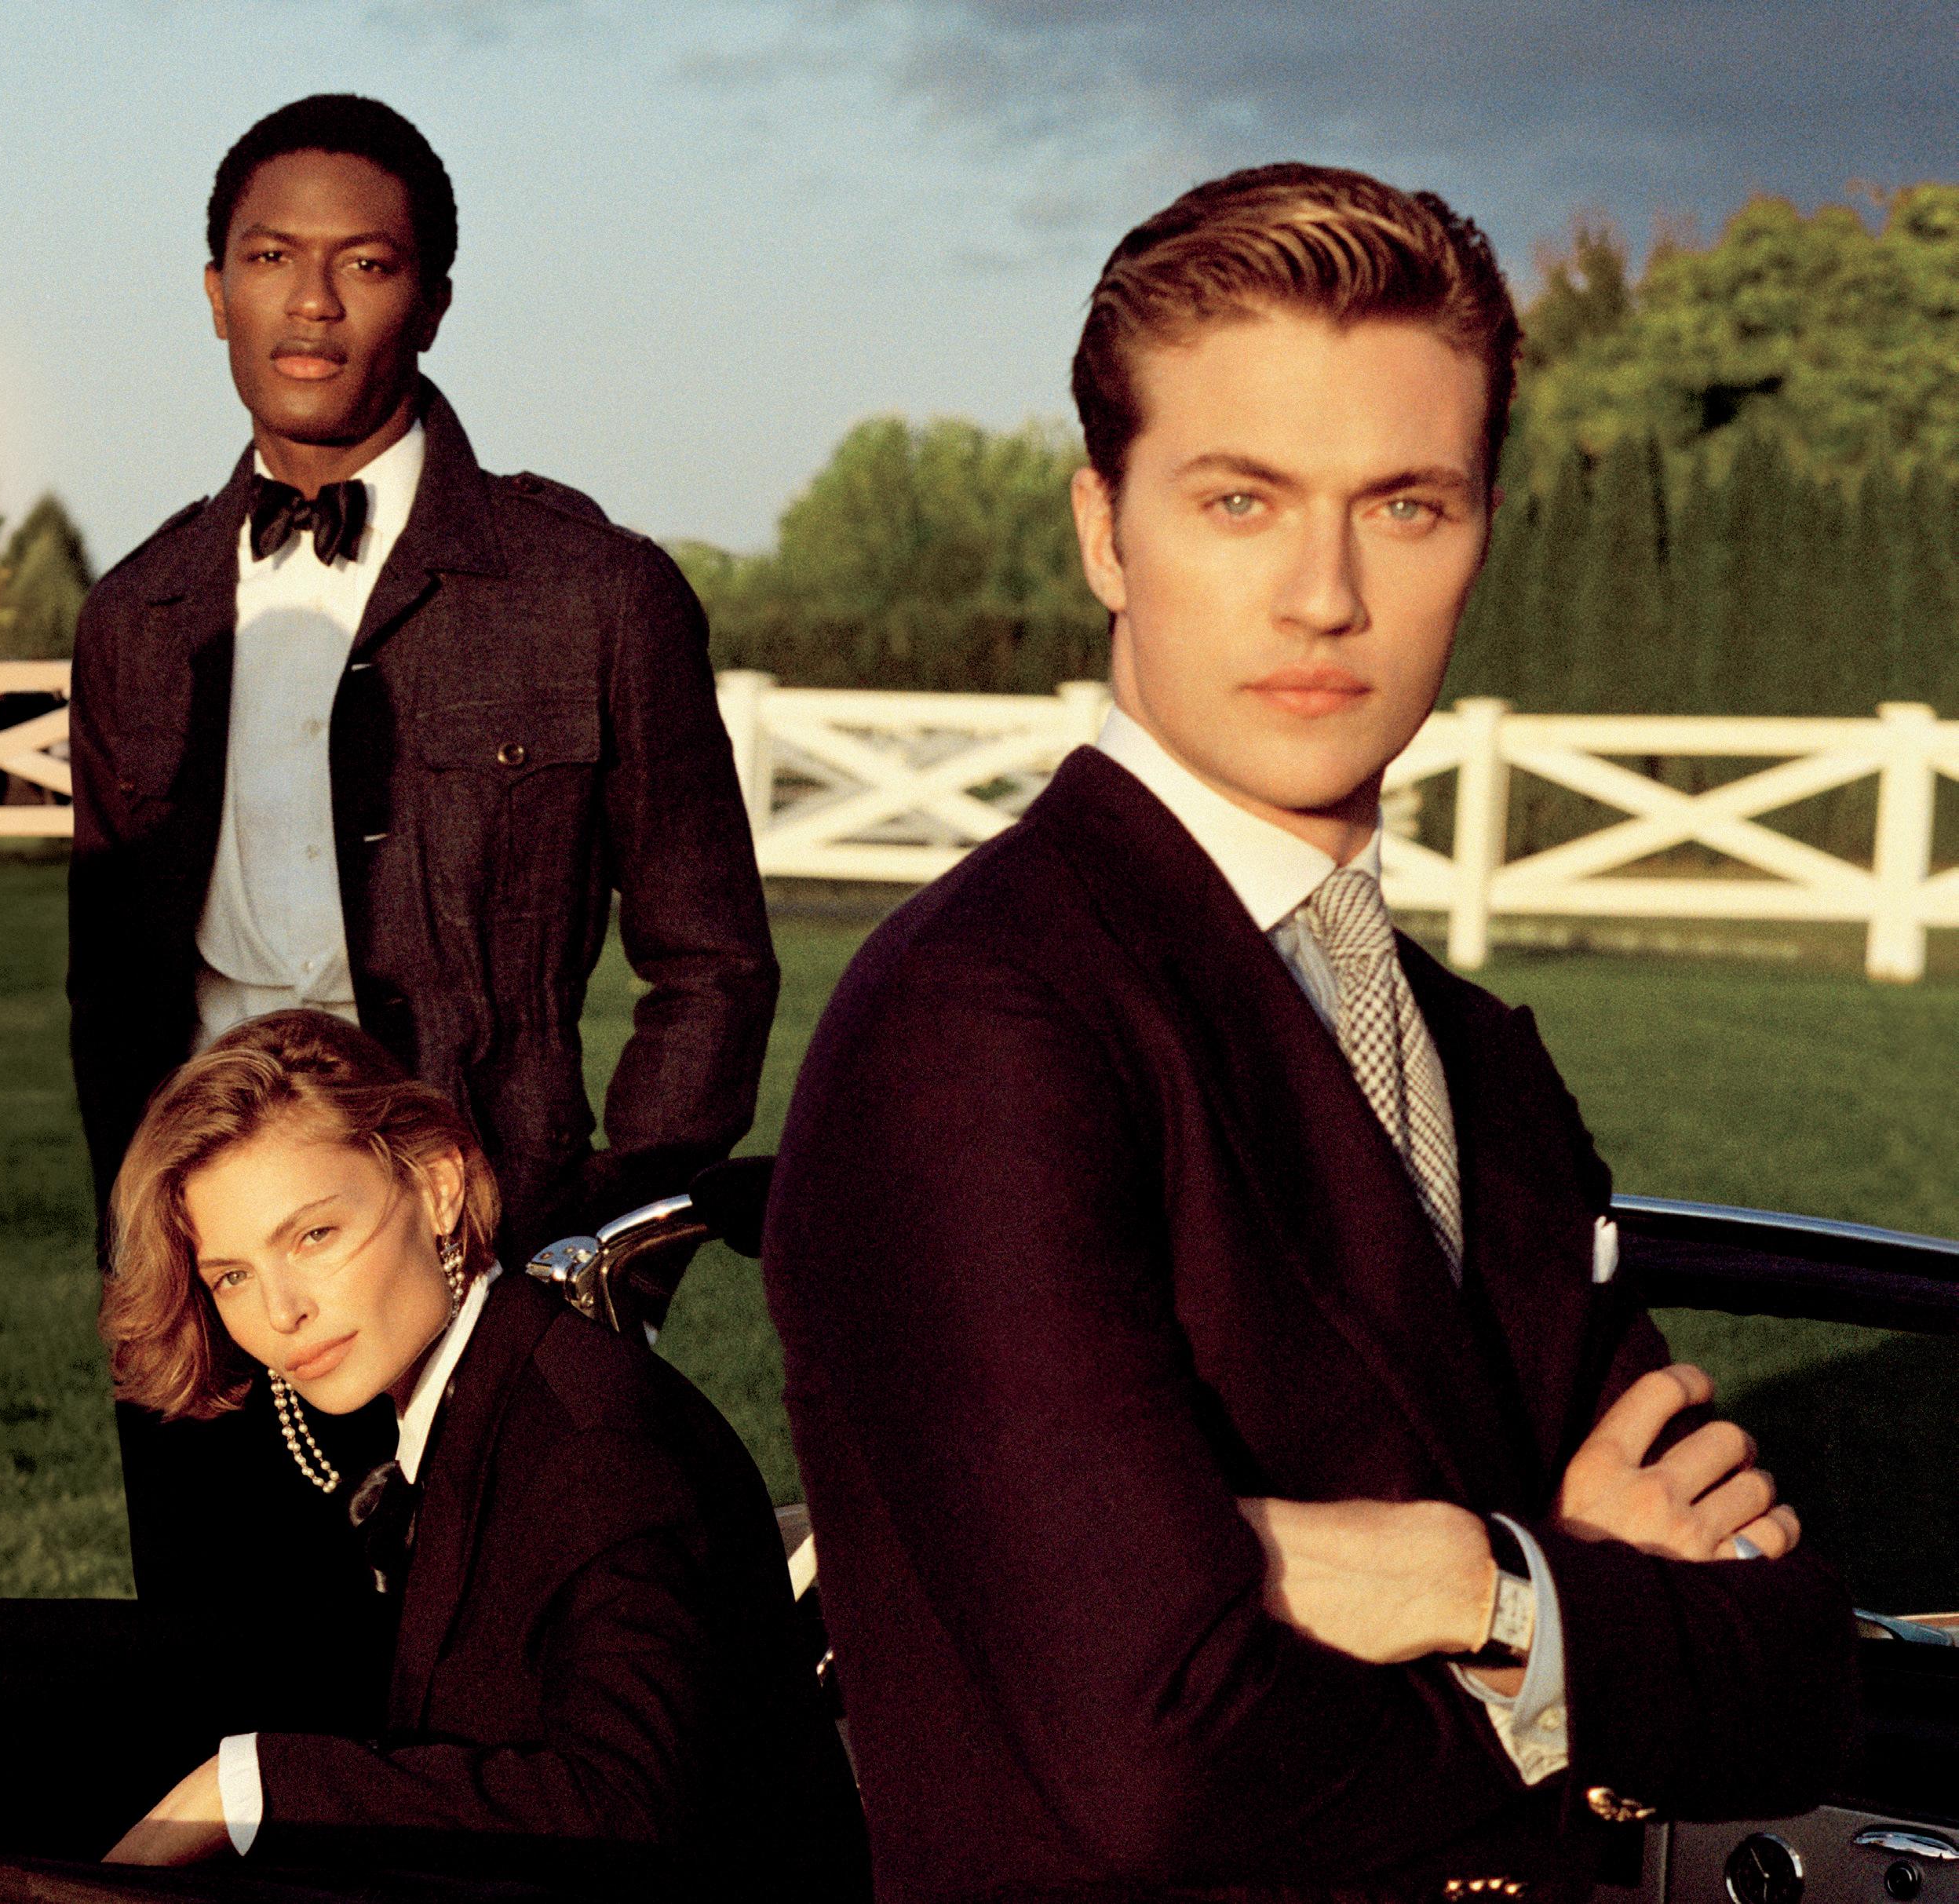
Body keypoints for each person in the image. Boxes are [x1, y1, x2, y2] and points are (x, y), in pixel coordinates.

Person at [761, 163, 1857, 1903]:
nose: (1325, 594)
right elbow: (1153, 1771)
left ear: (1480, 532)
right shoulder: (976, 1021)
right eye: (1240, 499)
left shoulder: (1478, 1055)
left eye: (1404, 505)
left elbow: (1788, 1670)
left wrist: (1462, 1584)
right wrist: (1566, 1617)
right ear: (1105, 532)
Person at [67, 93, 777, 1613]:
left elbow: (711, 965)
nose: (312, 302)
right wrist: (153, 1258)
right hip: (218, 1301)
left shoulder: (595, 593)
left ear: (435, 300)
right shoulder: (133, 615)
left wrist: (607, 1258)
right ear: (214, 292)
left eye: (366, 263)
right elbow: (108, 998)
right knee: (230, 1703)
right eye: (270, 257)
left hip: (489, 1275)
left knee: (486, 1715)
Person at [97, 1010, 866, 1899]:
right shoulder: (470, 1399)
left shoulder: (593, 1446)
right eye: (232, 1275)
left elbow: (627, 1808)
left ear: (437, 1186)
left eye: (314, 1236)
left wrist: (249, 1788)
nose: (280, 1311)